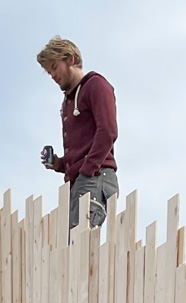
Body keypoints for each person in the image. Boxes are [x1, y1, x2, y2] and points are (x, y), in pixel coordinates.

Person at [36, 36, 117, 230]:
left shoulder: (95, 85)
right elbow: (82, 149)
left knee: (79, 245)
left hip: (95, 177)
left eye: (55, 67)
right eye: (49, 72)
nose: (53, 75)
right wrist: (60, 164)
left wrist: (87, 169)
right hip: (79, 182)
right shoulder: (68, 102)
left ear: (71, 60)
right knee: (70, 248)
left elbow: (108, 131)